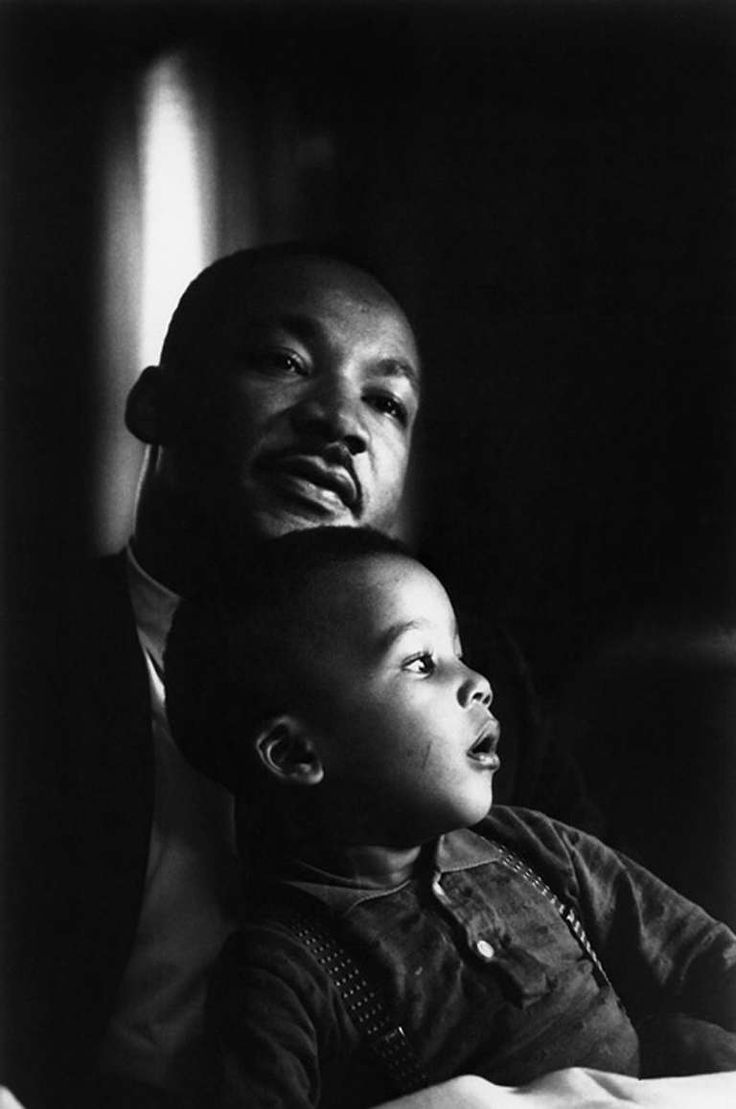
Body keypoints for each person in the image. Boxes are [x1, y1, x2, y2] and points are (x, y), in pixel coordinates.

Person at [4, 244, 592, 1109]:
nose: (339, 422)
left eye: (385, 401)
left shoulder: (477, 676)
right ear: (153, 402)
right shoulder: (28, 649)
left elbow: (600, 934)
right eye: (284, 362)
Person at [164, 525, 736, 1109]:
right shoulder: (283, 967)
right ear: (297, 754)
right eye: (420, 662)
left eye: (459, 654)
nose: (478, 685)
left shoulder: (537, 845)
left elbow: (705, 958)